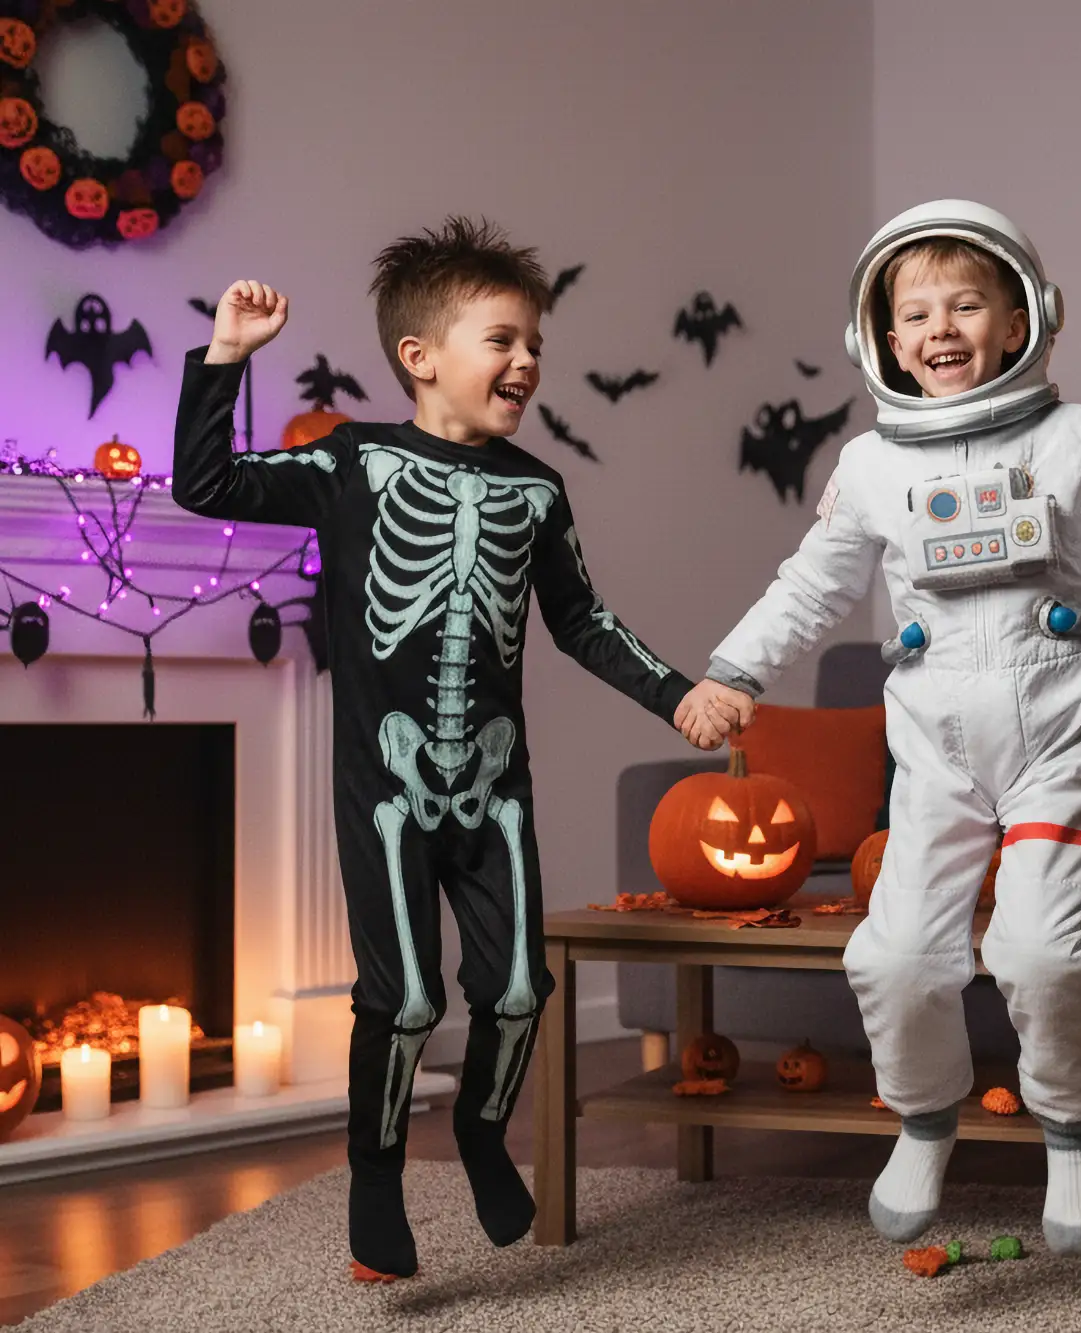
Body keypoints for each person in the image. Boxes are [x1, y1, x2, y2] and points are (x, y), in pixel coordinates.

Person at [676, 199, 1081, 1254]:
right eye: (915, 313)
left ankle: (1071, 1129)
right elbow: (809, 587)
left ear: (1020, 319)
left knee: (1041, 954)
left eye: (966, 304)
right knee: (895, 955)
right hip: (937, 755)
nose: (940, 328)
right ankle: (920, 1116)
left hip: (1060, 737)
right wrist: (733, 669)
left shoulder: (1071, 434)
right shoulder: (871, 465)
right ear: (883, 337)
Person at [173, 218, 717, 1282]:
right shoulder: (349, 462)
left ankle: (479, 1130)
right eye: (502, 341)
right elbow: (209, 487)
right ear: (420, 356)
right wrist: (227, 358)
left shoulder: (537, 487)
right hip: (385, 786)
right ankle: (376, 1177)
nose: (525, 363)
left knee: (518, 991)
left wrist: (679, 694)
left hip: (495, 783)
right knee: (407, 997)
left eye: (535, 347)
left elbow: (584, 622)